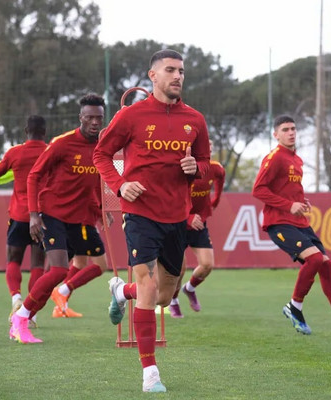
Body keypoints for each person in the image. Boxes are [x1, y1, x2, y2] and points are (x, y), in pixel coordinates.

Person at [93, 49, 211, 393]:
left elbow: (204, 162)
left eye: (182, 71)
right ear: (153, 76)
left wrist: (196, 169)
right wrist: (119, 185)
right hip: (140, 213)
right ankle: (150, 373)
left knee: (164, 294)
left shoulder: (195, 119)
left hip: (177, 216)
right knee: (147, 287)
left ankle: (120, 291)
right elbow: (101, 154)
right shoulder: (132, 115)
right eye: (170, 70)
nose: (178, 76)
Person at [252, 115, 331, 336]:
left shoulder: (296, 160)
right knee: (316, 259)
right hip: (279, 223)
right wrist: (289, 205)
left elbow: (288, 189)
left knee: (326, 265)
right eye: (285, 129)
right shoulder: (275, 158)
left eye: (293, 129)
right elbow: (258, 190)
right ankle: (294, 306)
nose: (291, 132)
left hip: (299, 223)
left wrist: (301, 201)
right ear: (276, 134)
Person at [8, 93, 108, 343]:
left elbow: (96, 182)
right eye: (90, 118)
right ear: (80, 118)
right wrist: (33, 215)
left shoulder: (104, 146)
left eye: (99, 118)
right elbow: (34, 176)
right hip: (52, 215)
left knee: (98, 265)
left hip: (81, 219)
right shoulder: (62, 144)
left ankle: (41, 306)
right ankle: (21, 318)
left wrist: (100, 211)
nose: (95, 122)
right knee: (59, 269)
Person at [0, 115, 48, 321]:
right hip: (43, 217)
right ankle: (31, 311)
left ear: (26, 130)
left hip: (19, 216)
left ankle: (16, 298)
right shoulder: (51, 152)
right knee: (38, 263)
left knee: (13, 260)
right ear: (44, 132)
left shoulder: (15, 153)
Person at [169, 141, 225, 318]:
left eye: (210, 147)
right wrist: (189, 217)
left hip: (199, 224)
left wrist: (214, 202)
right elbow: (173, 197)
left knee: (207, 265)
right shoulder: (183, 170)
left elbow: (220, 181)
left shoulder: (215, 168)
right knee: (179, 270)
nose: (207, 149)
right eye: (203, 146)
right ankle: (173, 300)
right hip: (179, 223)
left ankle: (190, 288)